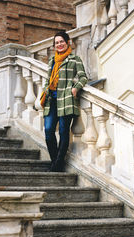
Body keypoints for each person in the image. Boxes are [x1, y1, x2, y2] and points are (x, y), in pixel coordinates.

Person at [43, 31, 88, 172]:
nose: (59, 44)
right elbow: (47, 80)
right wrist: (45, 89)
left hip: (67, 99)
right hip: (52, 100)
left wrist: (76, 88)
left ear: (68, 42)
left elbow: (83, 77)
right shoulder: (52, 61)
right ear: (54, 46)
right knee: (49, 131)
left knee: (63, 132)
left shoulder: (75, 59)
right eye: (56, 43)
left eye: (62, 41)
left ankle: (57, 165)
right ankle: (56, 161)